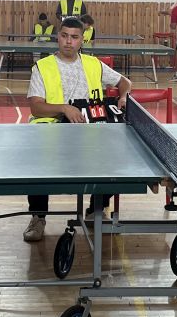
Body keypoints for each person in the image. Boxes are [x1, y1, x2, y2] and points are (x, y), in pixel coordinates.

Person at [22, 17, 132, 242]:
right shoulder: (43, 67)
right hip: (52, 129)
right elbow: (36, 106)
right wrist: (64, 108)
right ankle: (38, 216)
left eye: (74, 37)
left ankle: (96, 210)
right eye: (64, 36)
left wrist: (124, 96)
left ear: (82, 40)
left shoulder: (93, 64)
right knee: (37, 160)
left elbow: (125, 82)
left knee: (112, 155)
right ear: (58, 37)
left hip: (90, 129)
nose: (68, 41)